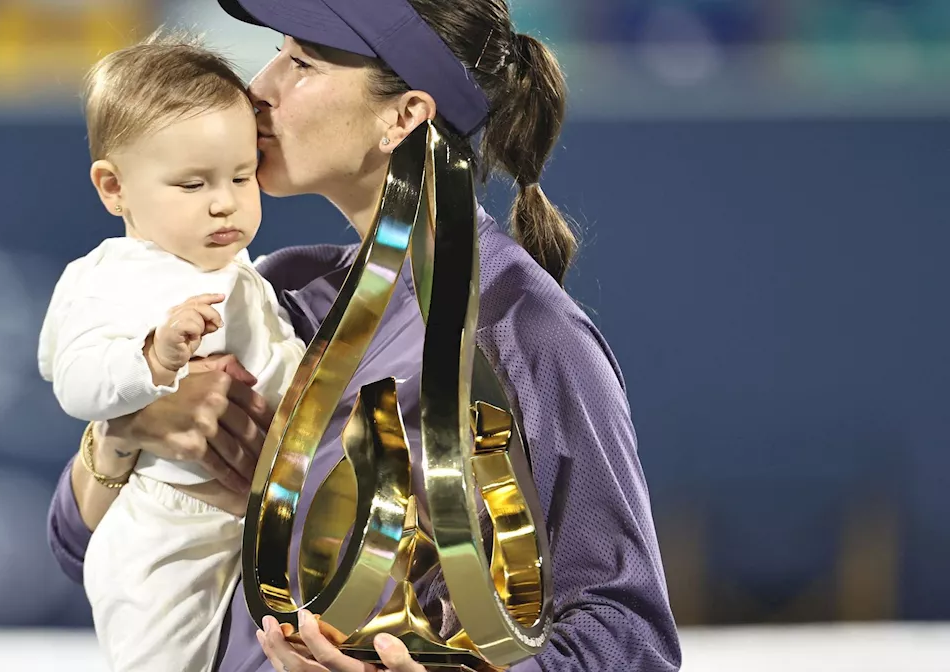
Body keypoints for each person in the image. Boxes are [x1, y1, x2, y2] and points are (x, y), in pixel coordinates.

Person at [46, 0, 683, 670]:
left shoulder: (529, 329)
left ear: (403, 116)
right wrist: (124, 435)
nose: (257, 89)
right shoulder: (283, 291)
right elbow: (75, 544)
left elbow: (629, 638)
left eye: (300, 62)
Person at [37, 33, 306, 672]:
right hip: (166, 532)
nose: (224, 201)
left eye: (242, 176)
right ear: (114, 188)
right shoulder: (111, 276)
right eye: (192, 184)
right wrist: (152, 361)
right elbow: (72, 379)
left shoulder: (248, 274)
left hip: (248, 529)